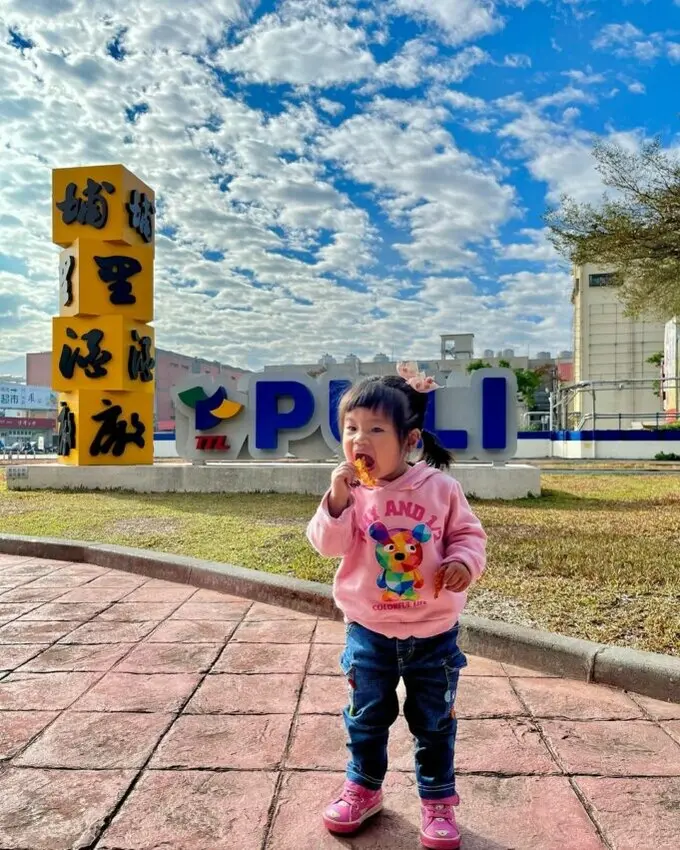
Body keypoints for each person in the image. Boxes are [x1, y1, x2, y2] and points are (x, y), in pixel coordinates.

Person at [306, 363, 487, 850]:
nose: (358, 440)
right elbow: (327, 545)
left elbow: (469, 535)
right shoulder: (352, 494)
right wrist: (336, 501)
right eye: (350, 429)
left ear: (409, 440)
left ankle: (438, 801)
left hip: (434, 634)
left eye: (375, 429)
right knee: (366, 716)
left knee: (434, 721)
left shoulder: (441, 489)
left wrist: (462, 562)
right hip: (368, 631)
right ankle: (363, 787)